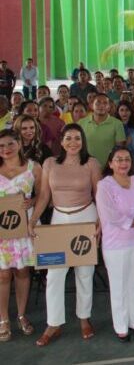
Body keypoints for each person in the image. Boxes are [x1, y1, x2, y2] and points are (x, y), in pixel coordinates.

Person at [29, 125, 100, 346]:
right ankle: (54, 323)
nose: (73, 142)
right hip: (59, 219)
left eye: (77, 138)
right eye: (68, 138)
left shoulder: (91, 163)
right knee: (54, 275)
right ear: (61, 141)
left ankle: (84, 318)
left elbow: (100, 196)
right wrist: (32, 220)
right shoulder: (50, 163)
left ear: (83, 141)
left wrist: (101, 223)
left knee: (85, 273)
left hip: (86, 218)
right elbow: (43, 196)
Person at [95, 146, 134, 342]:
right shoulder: (104, 186)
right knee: (118, 286)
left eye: (127, 159)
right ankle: (121, 326)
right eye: (118, 159)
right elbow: (111, 216)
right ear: (110, 163)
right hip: (115, 243)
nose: (123, 163)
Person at [0, 129, 40, 343]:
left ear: (19, 143)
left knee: (23, 272)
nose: (5, 149)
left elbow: (44, 195)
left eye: (10, 144)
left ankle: (21, 315)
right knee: (3, 275)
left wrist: (32, 202)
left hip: (24, 227)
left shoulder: (34, 167)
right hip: (1, 231)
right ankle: (3, 319)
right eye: (1, 146)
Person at [79, 93, 126, 167]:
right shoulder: (81, 122)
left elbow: (119, 150)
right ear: (91, 106)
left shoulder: (117, 124)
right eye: (98, 103)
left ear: (109, 107)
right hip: (85, 167)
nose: (101, 106)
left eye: (105, 103)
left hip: (108, 169)